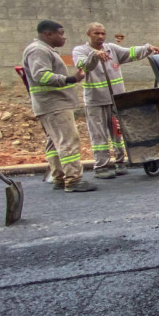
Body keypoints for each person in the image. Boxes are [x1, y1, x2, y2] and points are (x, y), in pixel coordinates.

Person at [72, 23, 159, 179]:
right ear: (88, 34)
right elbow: (84, 65)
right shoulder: (80, 51)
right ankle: (101, 167)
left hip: (116, 100)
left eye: (103, 33)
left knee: (118, 133)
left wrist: (147, 49)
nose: (100, 36)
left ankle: (120, 162)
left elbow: (130, 52)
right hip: (95, 101)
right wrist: (95, 55)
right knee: (99, 136)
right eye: (96, 33)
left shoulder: (111, 49)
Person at [21, 20, 95, 192]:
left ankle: (60, 177)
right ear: (48, 34)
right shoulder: (38, 50)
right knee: (68, 140)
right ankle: (73, 179)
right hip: (54, 105)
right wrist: (70, 79)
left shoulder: (42, 50)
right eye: (60, 33)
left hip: (49, 104)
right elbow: (41, 76)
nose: (64, 37)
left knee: (54, 143)